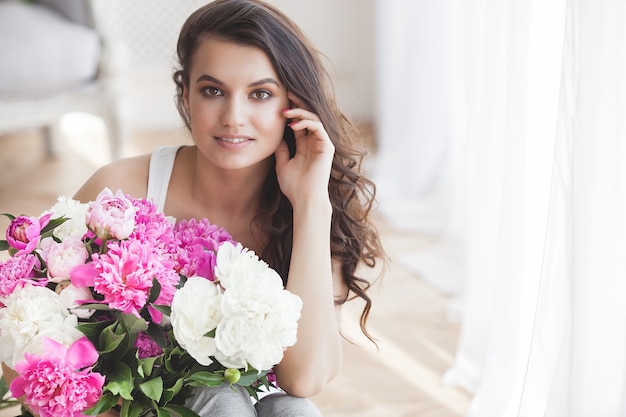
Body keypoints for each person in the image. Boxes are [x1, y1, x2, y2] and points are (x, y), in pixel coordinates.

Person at [3, 0, 385, 415]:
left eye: (260, 94)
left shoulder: (308, 204)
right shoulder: (121, 194)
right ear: (185, 94)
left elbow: (303, 379)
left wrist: (311, 203)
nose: (234, 117)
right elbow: (17, 322)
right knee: (223, 401)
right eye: (213, 90)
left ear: (292, 105)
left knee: (293, 409)